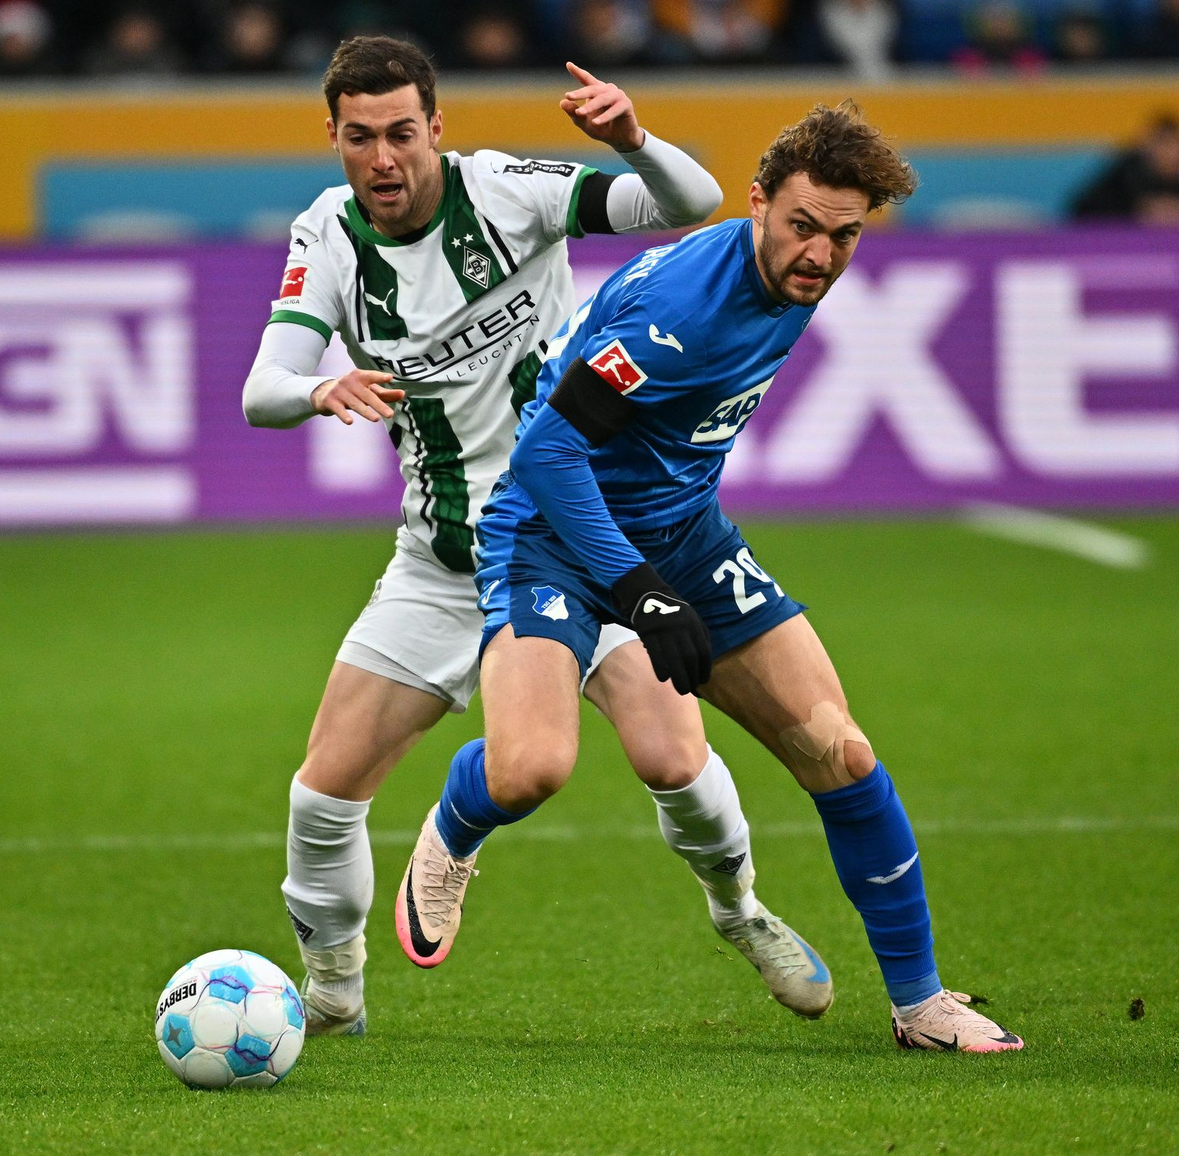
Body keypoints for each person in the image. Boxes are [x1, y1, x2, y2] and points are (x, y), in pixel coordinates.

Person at [398, 100, 1025, 1054]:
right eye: (803, 226)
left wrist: (665, 567)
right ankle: (454, 822)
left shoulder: (790, 282)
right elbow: (550, 452)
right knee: (531, 767)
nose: (818, 255)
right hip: (551, 534)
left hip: (686, 535)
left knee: (840, 751)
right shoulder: (686, 307)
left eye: (844, 236)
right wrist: (639, 590)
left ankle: (922, 1004)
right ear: (759, 201)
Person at [242, 35, 818, 1038]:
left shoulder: (509, 192)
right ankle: (333, 991)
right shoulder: (327, 236)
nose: (384, 159)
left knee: (674, 756)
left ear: (438, 128)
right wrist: (315, 387)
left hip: (574, 541)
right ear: (332, 136)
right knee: (323, 791)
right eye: (360, 137)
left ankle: (742, 909)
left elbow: (688, 203)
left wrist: (634, 138)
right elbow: (261, 390)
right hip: (441, 562)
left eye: (403, 134)